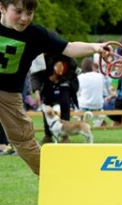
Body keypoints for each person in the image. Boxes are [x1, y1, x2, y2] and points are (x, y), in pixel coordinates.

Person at [0, 0, 110, 175]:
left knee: (23, 140)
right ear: (2, 8)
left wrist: (94, 47)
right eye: (18, 11)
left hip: (8, 95)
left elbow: (69, 47)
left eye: (29, 13)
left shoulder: (36, 34)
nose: (24, 18)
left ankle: (53, 179)